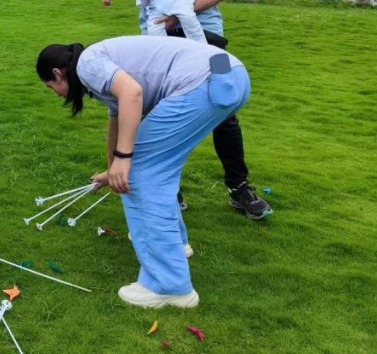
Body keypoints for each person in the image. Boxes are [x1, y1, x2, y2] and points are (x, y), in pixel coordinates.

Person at [36, 37, 251, 308]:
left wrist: (124, 159)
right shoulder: (96, 67)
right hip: (230, 75)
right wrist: (112, 168)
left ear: (57, 74)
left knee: (139, 174)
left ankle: (168, 284)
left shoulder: (87, 64)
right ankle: (177, 245)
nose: (54, 93)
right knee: (158, 170)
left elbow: (132, 93)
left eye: (50, 86)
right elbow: (119, 116)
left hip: (202, 83)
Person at [113, 0, 271, 219]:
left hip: (206, 30)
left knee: (224, 105)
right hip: (156, 37)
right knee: (155, 110)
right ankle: (169, 189)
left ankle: (239, 187)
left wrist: (184, 10)